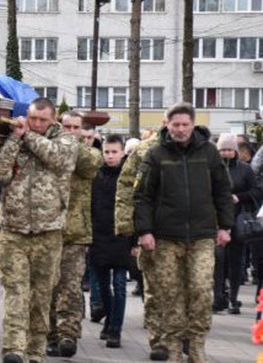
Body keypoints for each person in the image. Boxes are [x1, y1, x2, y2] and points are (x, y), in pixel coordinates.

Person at [134, 102, 234, 362]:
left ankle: (197, 344)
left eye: (184, 124)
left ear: (192, 124)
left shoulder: (209, 153)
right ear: (167, 125)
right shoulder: (156, 154)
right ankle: (175, 348)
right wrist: (144, 231)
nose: (180, 129)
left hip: (202, 235)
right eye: (175, 125)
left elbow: (222, 190)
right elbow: (142, 196)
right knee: (171, 294)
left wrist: (225, 226)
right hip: (166, 238)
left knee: (201, 290)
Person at [0, 97, 78, 363]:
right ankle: (14, 349)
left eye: (42, 120)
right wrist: (15, 140)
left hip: (48, 233)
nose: (36, 124)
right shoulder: (14, 138)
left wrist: (27, 137)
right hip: (13, 232)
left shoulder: (65, 139)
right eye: (32, 118)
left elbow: (59, 159)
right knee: (16, 292)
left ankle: (36, 351)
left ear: (53, 120)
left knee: (41, 296)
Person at [47, 111, 101, 358]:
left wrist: (69, 144)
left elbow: (89, 167)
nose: (70, 130)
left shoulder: (89, 152)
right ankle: (50, 334)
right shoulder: (48, 148)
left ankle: (68, 335)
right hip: (48, 230)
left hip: (76, 233)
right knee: (48, 288)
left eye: (75, 127)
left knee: (70, 287)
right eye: (66, 126)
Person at [114, 116, 167, 361]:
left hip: (187, 230)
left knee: (186, 288)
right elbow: (126, 185)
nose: (176, 128)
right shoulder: (145, 150)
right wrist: (127, 226)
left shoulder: (200, 151)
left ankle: (181, 335)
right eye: (170, 123)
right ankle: (159, 340)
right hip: (152, 228)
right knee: (154, 287)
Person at [90, 134, 132, 349]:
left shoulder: (129, 178)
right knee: (102, 285)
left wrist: (134, 240)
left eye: (115, 152)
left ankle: (115, 329)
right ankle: (108, 319)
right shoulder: (96, 176)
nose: (110, 156)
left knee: (120, 285)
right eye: (107, 151)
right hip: (99, 236)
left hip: (122, 238)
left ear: (123, 152)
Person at [213, 133, 262, 314]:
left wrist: (238, 197)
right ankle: (218, 297)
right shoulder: (212, 169)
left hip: (238, 220)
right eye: (223, 150)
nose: (226, 153)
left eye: (229, 150)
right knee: (218, 260)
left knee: (236, 261)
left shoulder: (245, 170)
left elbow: (256, 192)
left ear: (235, 151)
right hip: (217, 221)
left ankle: (233, 298)